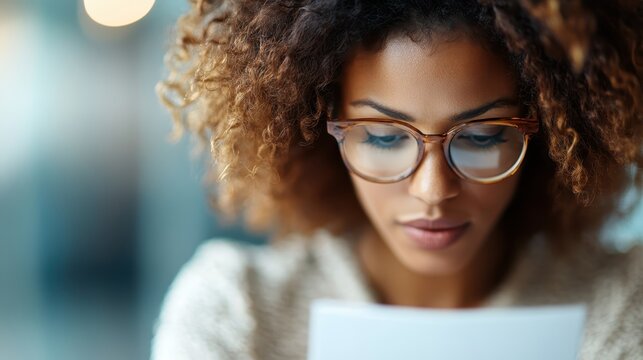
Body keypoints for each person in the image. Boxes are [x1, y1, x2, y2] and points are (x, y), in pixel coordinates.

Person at [151, 0, 643, 359]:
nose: (433, 191)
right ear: (323, 133)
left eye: (482, 137)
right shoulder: (239, 312)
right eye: (385, 138)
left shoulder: (620, 302)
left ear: (550, 134)